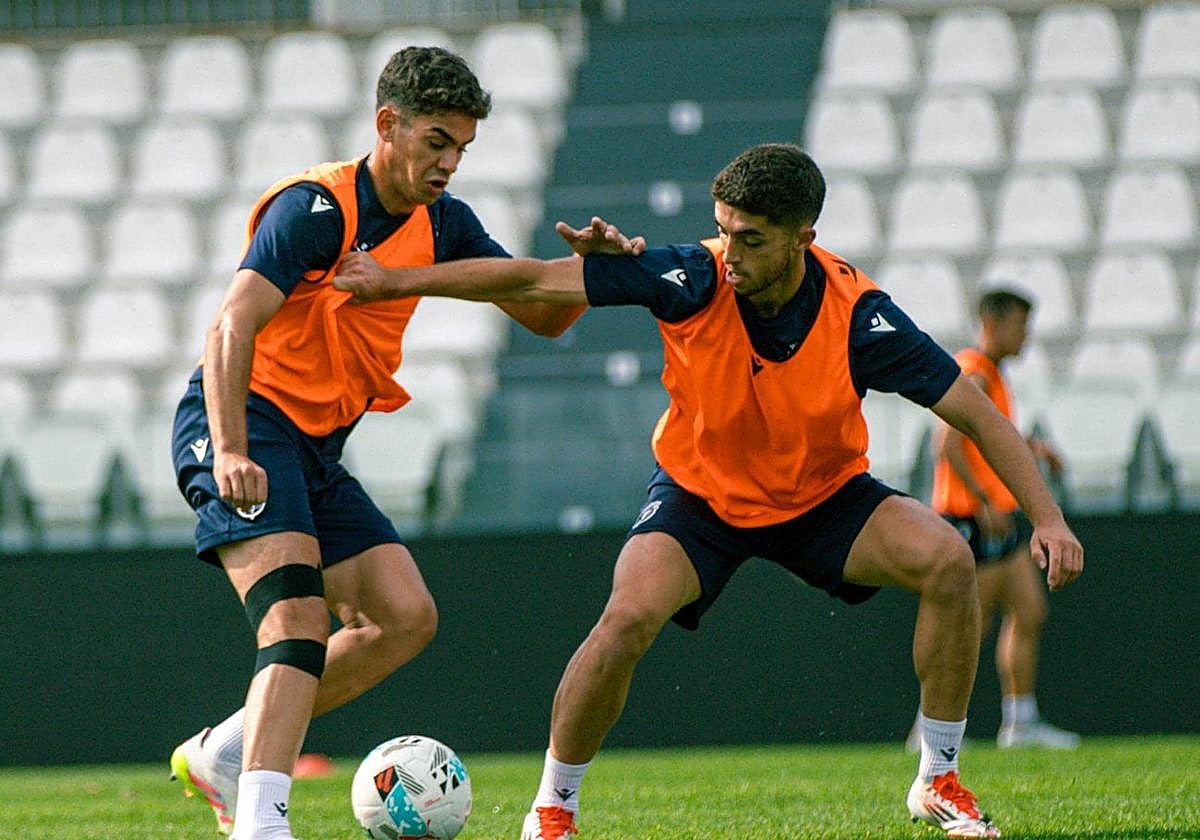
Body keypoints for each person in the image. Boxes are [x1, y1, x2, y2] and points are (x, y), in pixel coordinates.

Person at [332, 143, 1084, 840]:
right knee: (626, 617)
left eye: (752, 239)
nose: (731, 254)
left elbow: (975, 412)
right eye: (724, 231)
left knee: (949, 562)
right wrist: (395, 281)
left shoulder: (861, 315)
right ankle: (553, 810)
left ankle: (939, 779)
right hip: (701, 496)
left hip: (822, 497)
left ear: (803, 236)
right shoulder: (692, 274)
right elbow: (530, 279)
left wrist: (1046, 518)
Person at [167, 46, 639, 840]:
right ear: (387, 125)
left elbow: (542, 312)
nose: (449, 163)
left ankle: (228, 749)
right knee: (295, 621)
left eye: (461, 148)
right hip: (247, 422)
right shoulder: (316, 210)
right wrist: (230, 448)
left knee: (404, 617)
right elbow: (232, 322)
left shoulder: (440, 221)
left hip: (314, 446)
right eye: (436, 142)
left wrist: (582, 272)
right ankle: (261, 823)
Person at [928, 289, 1079, 750]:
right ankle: (928, 725)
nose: (1026, 334)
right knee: (967, 625)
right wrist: (983, 501)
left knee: (1028, 610)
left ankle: (1021, 722)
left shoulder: (989, 373)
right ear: (993, 323)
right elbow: (948, 444)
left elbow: (986, 436)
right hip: (973, 519)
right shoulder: (974, 372)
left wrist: (1030, 446)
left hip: (993, 518)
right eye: (1019, 324)